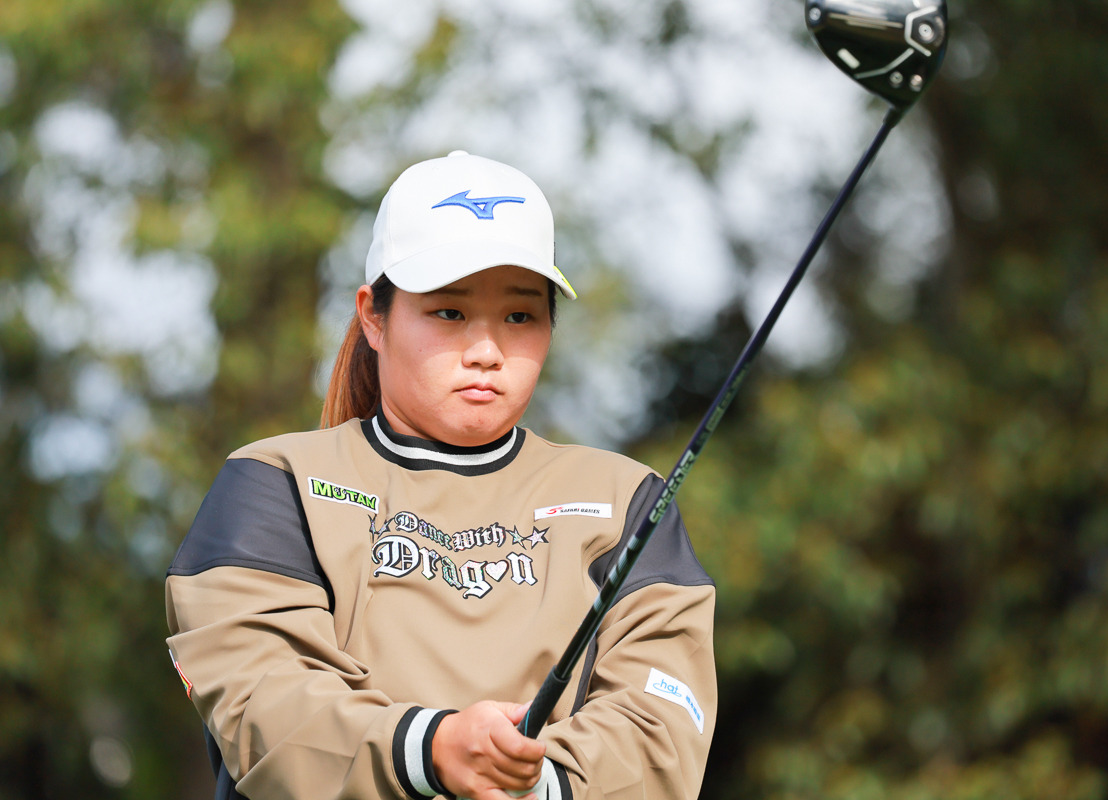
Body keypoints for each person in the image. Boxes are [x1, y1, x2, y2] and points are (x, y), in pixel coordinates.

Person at [165, 151, 717, 800]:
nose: (487, 351)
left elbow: (663, 724)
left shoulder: (627, 500)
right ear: (373, 315)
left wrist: (534, 781)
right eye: (449, 313)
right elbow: (263, 701)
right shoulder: (275, 482)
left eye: (519, 316)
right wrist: (432, 750)